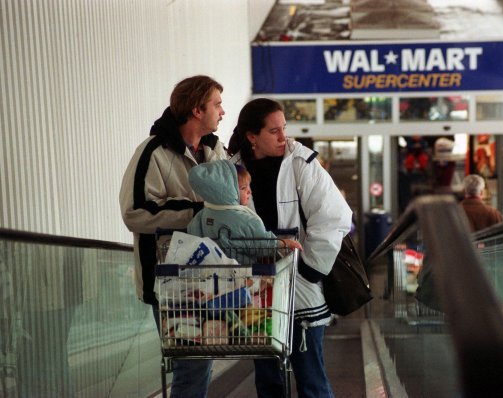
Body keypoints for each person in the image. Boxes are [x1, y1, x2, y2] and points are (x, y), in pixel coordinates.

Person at [228, 98, 352, 398]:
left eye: (284, 128)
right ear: (251, 136)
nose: (283, 137)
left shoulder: (302, 162)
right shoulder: (230, 171)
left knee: (312, 380)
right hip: (255, 292)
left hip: (302, 290)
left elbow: (335, 216)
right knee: (268, 382)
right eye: (274, 131)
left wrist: (309, 269)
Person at [119, 75, 227, 398]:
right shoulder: (152, 152)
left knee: (199, 363)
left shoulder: (215, 148)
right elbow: (134, 212)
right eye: (217, 104)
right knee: (192, 366)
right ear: (197, 109)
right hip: (169, 280)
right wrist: (196, 213)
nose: (223, 112)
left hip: (212, 278)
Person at [187, 159, 302, 262]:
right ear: (228, 191)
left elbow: (192, 232)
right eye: (243, 188)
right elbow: (261, 244)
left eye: (248, 186)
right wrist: (283, 243)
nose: (249, 192)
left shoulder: (204, 213)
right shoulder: (245, 220)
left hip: (212, 273)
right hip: (243, 273)